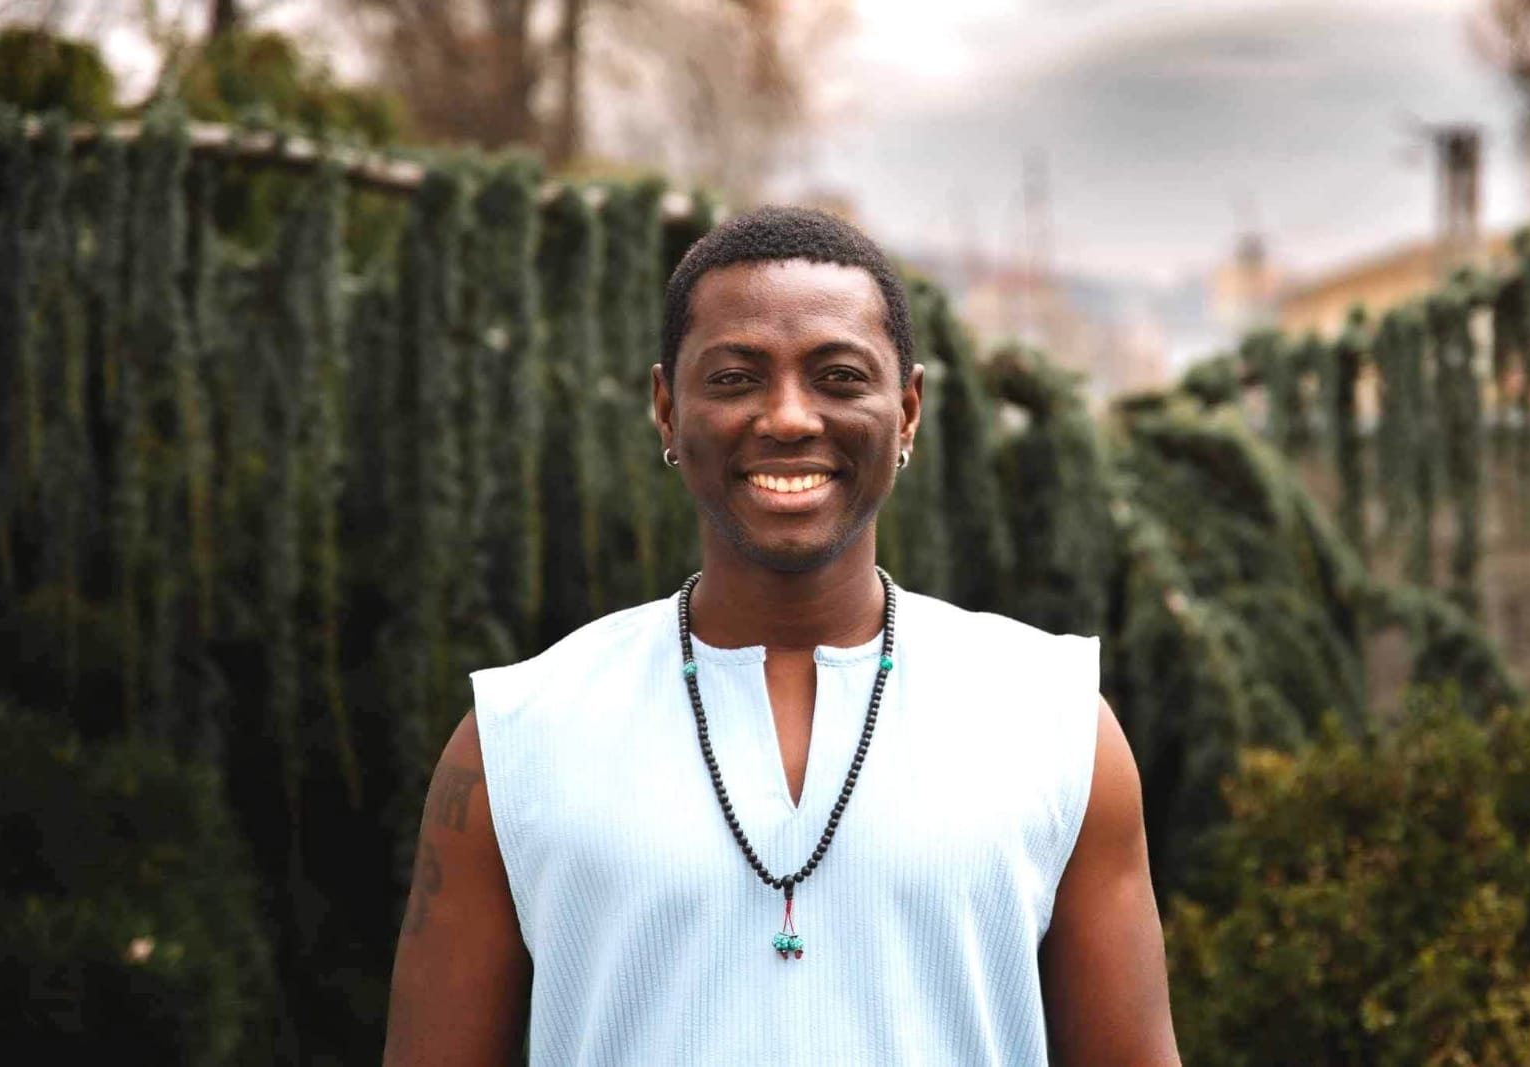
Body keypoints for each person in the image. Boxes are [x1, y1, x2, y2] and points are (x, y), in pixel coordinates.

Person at [383, 206, 1180, 1065]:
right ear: (667, 409)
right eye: (735, 378)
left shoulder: (1054, 721)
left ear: (908, 410)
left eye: (839, 377)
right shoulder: (514, 737)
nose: (790, 417)